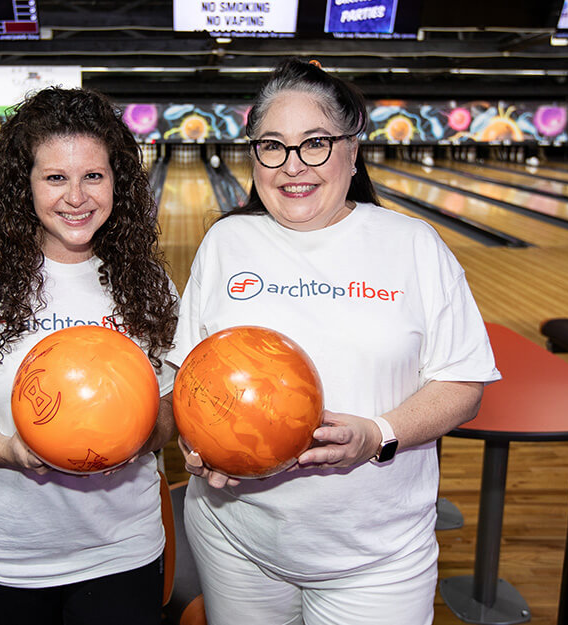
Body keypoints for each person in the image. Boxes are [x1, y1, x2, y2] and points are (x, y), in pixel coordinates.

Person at [169, 59, 501, 625]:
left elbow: (463, 384)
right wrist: (196, 444)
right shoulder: (226, 240)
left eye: (315, 143)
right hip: (235, 541)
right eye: (272, 145)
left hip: (377, 556)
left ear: (353, 148)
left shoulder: (413, 244)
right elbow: (189, 375)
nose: (292, 166)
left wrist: (379, 434)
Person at [0, 86, 179, 625]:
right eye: (55, 177)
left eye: (93, 176)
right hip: (0, 555)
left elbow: (167, 409)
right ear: (22, 185)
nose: (76, 196)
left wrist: (135, 438)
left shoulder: (150, 284)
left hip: (119, 548)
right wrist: (9, 450)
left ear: (116, 183)